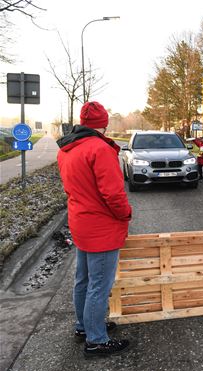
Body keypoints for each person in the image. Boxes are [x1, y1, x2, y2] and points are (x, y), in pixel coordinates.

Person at [57, 101, 132, 357]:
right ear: (104, 124)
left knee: (84, 279)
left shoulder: (67, 148)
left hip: (80, 222)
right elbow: (113, 193)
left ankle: (85, 326)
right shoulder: (99, 149)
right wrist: (126, 214)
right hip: (101, 228)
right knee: (99, 284)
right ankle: (97, 339)